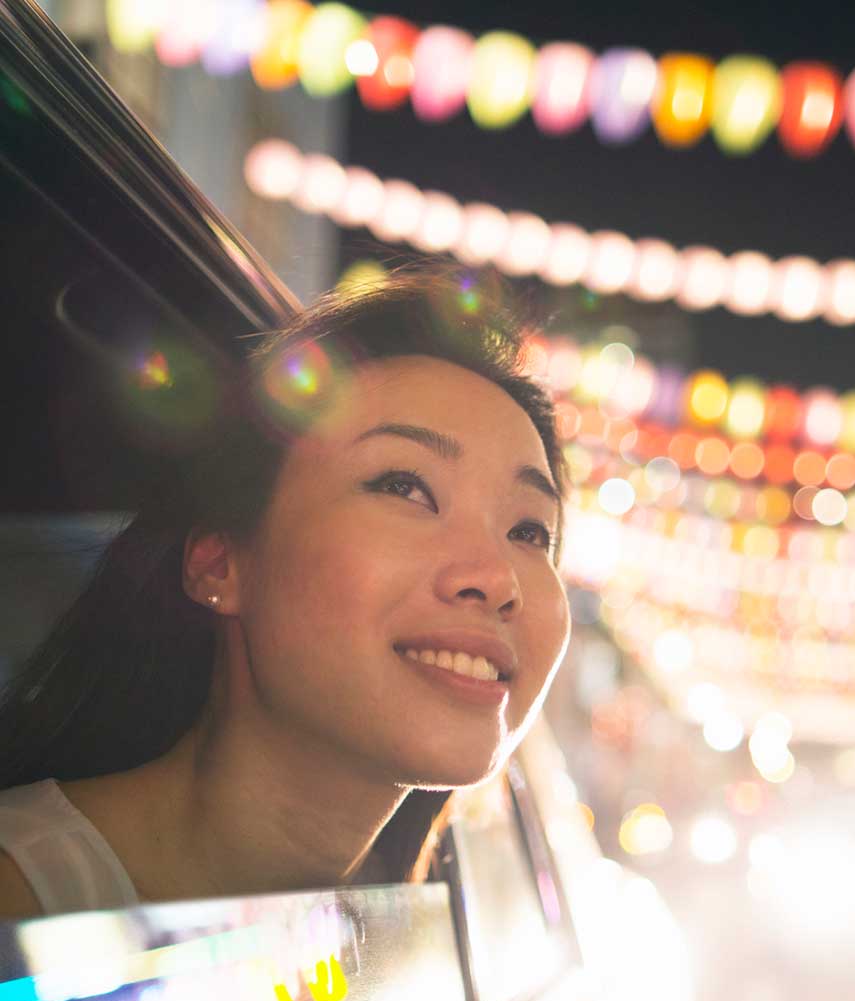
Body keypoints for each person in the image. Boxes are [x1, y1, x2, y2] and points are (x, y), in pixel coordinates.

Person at [0, 269, 570, 916]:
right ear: (220, 563)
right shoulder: (22, 905)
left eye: (529, 530)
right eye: (404, 487)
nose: (496, 578)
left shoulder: (419, 916)